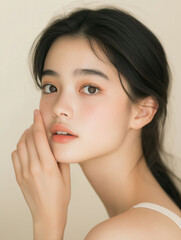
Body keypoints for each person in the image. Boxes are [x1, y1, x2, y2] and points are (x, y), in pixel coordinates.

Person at [11, 6, 181, 240]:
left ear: (142, 111)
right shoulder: (151, 222)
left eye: (90, 88)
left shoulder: (122, 234)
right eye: (51, 87)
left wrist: (47, 223)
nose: (60, 107)